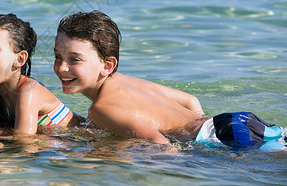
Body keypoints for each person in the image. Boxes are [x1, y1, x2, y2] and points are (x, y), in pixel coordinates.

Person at [53, 11, 286, 150]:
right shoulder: (124, 80)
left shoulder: (99, 109)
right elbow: (190, 100)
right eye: (57, 56)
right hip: (228, 122)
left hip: (216, 136)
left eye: (75, 59)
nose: (62, 67)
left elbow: (159, 143)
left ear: (107, 65)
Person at [0, 13, 83, 135]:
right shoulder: (1, 102)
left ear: (20, 59)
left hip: (88, 140)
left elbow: (24, 142)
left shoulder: (29, 91)